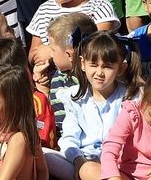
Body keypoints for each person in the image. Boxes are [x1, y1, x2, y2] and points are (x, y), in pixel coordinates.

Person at [50, 32, 143, 180]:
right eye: (93, 65)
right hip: (83, 161)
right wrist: (79, 161)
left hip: (119, 165)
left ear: (121, 68)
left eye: (107, 67)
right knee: (44, 155)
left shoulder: (131, 98)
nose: (99, 73)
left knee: (91, 171)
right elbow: (69, 138)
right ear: (82, 64)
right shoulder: (75, 96)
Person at [97, 67, 151, 180]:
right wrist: (113, 176)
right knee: (90, 169)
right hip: (126, 173)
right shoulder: (131, 114)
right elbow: (110, 147)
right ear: (143, 98)